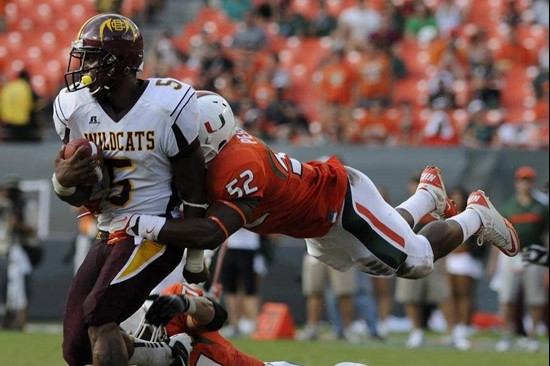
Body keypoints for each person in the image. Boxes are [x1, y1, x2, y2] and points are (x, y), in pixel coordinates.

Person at [110, 91, 520, 285]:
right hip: (313, 223)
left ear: (207, 141)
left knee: (416, 262)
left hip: (340, 201)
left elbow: (207, 230)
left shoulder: (238, 166)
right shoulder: (215, 154)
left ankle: (475, 214)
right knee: (372, 263)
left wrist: (136, 222)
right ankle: (427, 196)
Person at [51, 14, 207, 366]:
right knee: (75, 350)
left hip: (152, 233)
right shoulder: (74, 107)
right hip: (107, 232)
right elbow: (78, 197)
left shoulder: (166, 105)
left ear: (119, 63)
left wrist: (195, 256)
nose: (84, 66)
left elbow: (194, 186)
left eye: (92, 57)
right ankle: (166, 356)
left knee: (99, 316)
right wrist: (62, 181)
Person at [491, 166, 548, 352]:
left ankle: (532, 336)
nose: (525, 183)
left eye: (528, 180)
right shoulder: (509, 206)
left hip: (534, 254)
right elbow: (499, 235)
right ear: (517, 183)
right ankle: (506, 335)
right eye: (523, 180)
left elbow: (547, 235)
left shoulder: (542, 207)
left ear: (533, 182)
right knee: (507, 297)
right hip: (511, 254)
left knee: (535, 298)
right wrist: (493, 262)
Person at [219, 228, 263, 337]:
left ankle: (255, 325)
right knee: (230, 288)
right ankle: (234, 325)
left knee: (249, 288)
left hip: (248, 248)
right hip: (229, 247)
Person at [0, 70, 41, 142]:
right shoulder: (27, 87)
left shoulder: (8, 87)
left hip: (8, 123)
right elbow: (36, 105)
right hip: (24, 124)